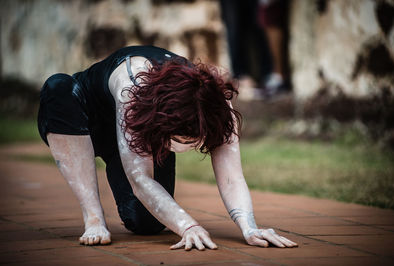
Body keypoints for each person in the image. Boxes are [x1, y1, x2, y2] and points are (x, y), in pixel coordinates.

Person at [37, 45, 297, 250]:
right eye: (181, 140)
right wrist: (187, 226)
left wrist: (249, 228)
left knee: (146, 224)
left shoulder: (217, 103)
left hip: (144, 132)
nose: (189, 146)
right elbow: (140, 179)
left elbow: (232, 175)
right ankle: (93, 219)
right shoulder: (133, 89)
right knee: (58, 88)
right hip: (87, 120)